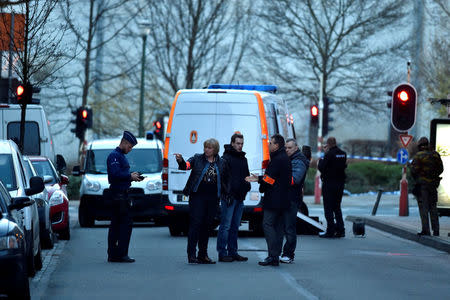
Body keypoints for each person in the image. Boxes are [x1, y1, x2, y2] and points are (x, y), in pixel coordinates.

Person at [175, 138, 230, 264]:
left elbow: (226, 180)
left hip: (213, 198)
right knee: (196, 224)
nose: (206, 149)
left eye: (209, 148)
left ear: (215, 150)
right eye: (205, 147)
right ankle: (191, 254)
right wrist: (180, 161)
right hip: (197, 197)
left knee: (207, 226)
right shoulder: (197, 158)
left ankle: (203, 255)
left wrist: (226, 194)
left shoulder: (222, 162)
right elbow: (186, 166)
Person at [246, 134, 291, 266]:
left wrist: (259, 179)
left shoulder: (277, 159)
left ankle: (272, 255)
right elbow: (273, 178)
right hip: (283, 199)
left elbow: (270, 179)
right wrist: (260, 178)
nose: (269, 144)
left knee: (267, 225)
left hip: (274, 199)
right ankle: (275, 256)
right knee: (277, 228)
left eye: (271, 143)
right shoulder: (284, 158)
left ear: (276, 145)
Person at [107, 131, 143, 263]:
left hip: (121, 194)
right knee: (124, 225)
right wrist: (129, 176)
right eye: (130, 146)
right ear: (124, 142)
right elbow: (115, 175)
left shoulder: (119, 156)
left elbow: (119, 174)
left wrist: (132, 177)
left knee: (117, 224)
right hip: (119, 196)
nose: (130, 149)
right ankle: (120, 253)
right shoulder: (115, 156)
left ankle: (114, 253)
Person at [217, 133, 251, 262]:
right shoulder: (225, 158)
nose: (240, 146)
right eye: (238, 143)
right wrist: (227, 194)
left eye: (242, 143)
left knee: (235, 226)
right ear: (232, 143)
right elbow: (222, 179)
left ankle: (233, 252)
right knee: (225, 226)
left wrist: (246, 187)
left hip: (240, 197)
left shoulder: (243, 159)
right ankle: (222, 253)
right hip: (229, 198)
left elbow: (246, 176)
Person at [280, 139, 309, 264]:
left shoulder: (298, 161)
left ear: (296, 148)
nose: (287, 150)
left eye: (289, 148)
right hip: (288, 197)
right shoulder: (292, 159)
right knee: (286, 227)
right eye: (286, 147)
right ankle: (286, 253)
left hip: (292, 198)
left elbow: (295, 179)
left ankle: (288, 254)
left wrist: (278, 178)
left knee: (289, 228)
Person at [410, 137, 443, 236]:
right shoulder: (435, 155)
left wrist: (419, 177)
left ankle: (426, 230)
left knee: (424, 207)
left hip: (422, 185)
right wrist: (433, 176)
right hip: (433, 185)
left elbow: (413, 171)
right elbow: (441, 169)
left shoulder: (419, 156)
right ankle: (436, 230)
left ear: (420, 146)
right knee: (433, 207)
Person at [317, 137, 347, 238]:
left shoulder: (329, 154)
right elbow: (344, 166)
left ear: (328, 144)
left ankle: (330, 231)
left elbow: (321, 167)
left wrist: (323, 157)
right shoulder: (343, 154)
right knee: (337, 207)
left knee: (328, 208)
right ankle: (341, 230)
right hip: (340, 184)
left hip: (329, 184)